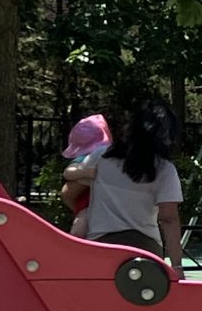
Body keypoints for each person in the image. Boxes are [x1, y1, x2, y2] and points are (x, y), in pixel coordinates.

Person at [69, 98, 184, 274]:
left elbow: (70, 191)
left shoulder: (101, 157)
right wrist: (176, 265)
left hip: (101, 244)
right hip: (144, 247)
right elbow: (168, 218)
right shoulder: (164, 170)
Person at [57, 113, 110, 233]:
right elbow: (68, 172)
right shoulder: (84, 159)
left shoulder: (104, 157)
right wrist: (86, 172)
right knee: (80, 224)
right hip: (86, 202)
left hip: (100, 202)